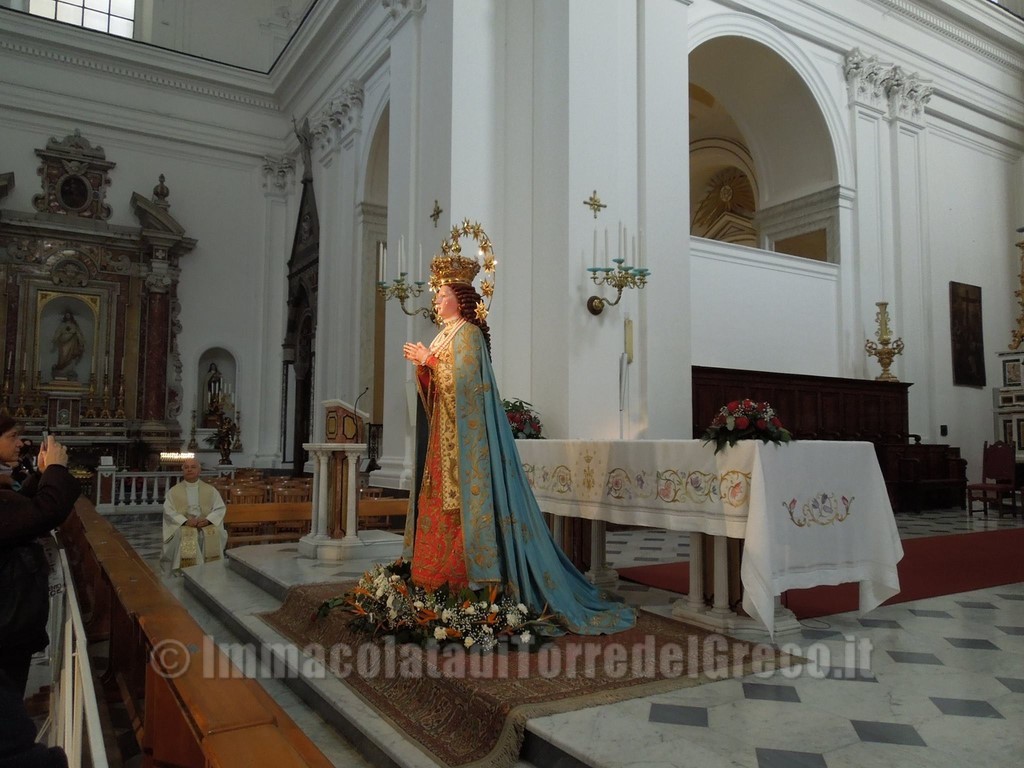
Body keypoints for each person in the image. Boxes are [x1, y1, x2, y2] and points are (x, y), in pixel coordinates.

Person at [401, 253, 634, 635]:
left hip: (465, 448)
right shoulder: (444, 335)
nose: (436, 300)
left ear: (459, 299)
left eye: (442, 294)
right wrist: (424, 369)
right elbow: (437, 393)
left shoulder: (469, 335)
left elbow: (467, 391)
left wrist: (431, 362)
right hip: (442, 447)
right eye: (437, 294)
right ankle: (433, 586)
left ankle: (467, 587)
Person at [0, 418, 80, 700]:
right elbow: (42, 513)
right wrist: (57, 469)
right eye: (12, 436)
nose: (20, 442)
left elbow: (20, 508)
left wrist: (43, 473)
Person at [160, 458, 227, 573]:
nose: (189, 470)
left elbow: (219, 509)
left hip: (204, 523)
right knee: (185, 534)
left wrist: (208, 520)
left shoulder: (210, 490)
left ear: (199, 471)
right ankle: (185, 572)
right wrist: (185, 521)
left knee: (216, 532)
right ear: (183, 471)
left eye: (193, 467)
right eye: (186, 467)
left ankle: (211, 570)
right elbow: (168, 511)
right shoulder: (173, 491)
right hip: (183, 525)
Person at [50, 311, 85, 379]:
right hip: (63, 343)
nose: (68, 317)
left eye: (69, 315)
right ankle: (61, 369)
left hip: (72, 343)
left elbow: (78, 333)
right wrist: (54, 339)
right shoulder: (62, 325)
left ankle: (68, 371)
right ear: (65, 317)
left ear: (71, 316)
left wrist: (81, 342)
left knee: (71, 357)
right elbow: (58, 332)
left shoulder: (74, 325)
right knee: (63, 356)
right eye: (66, 315)